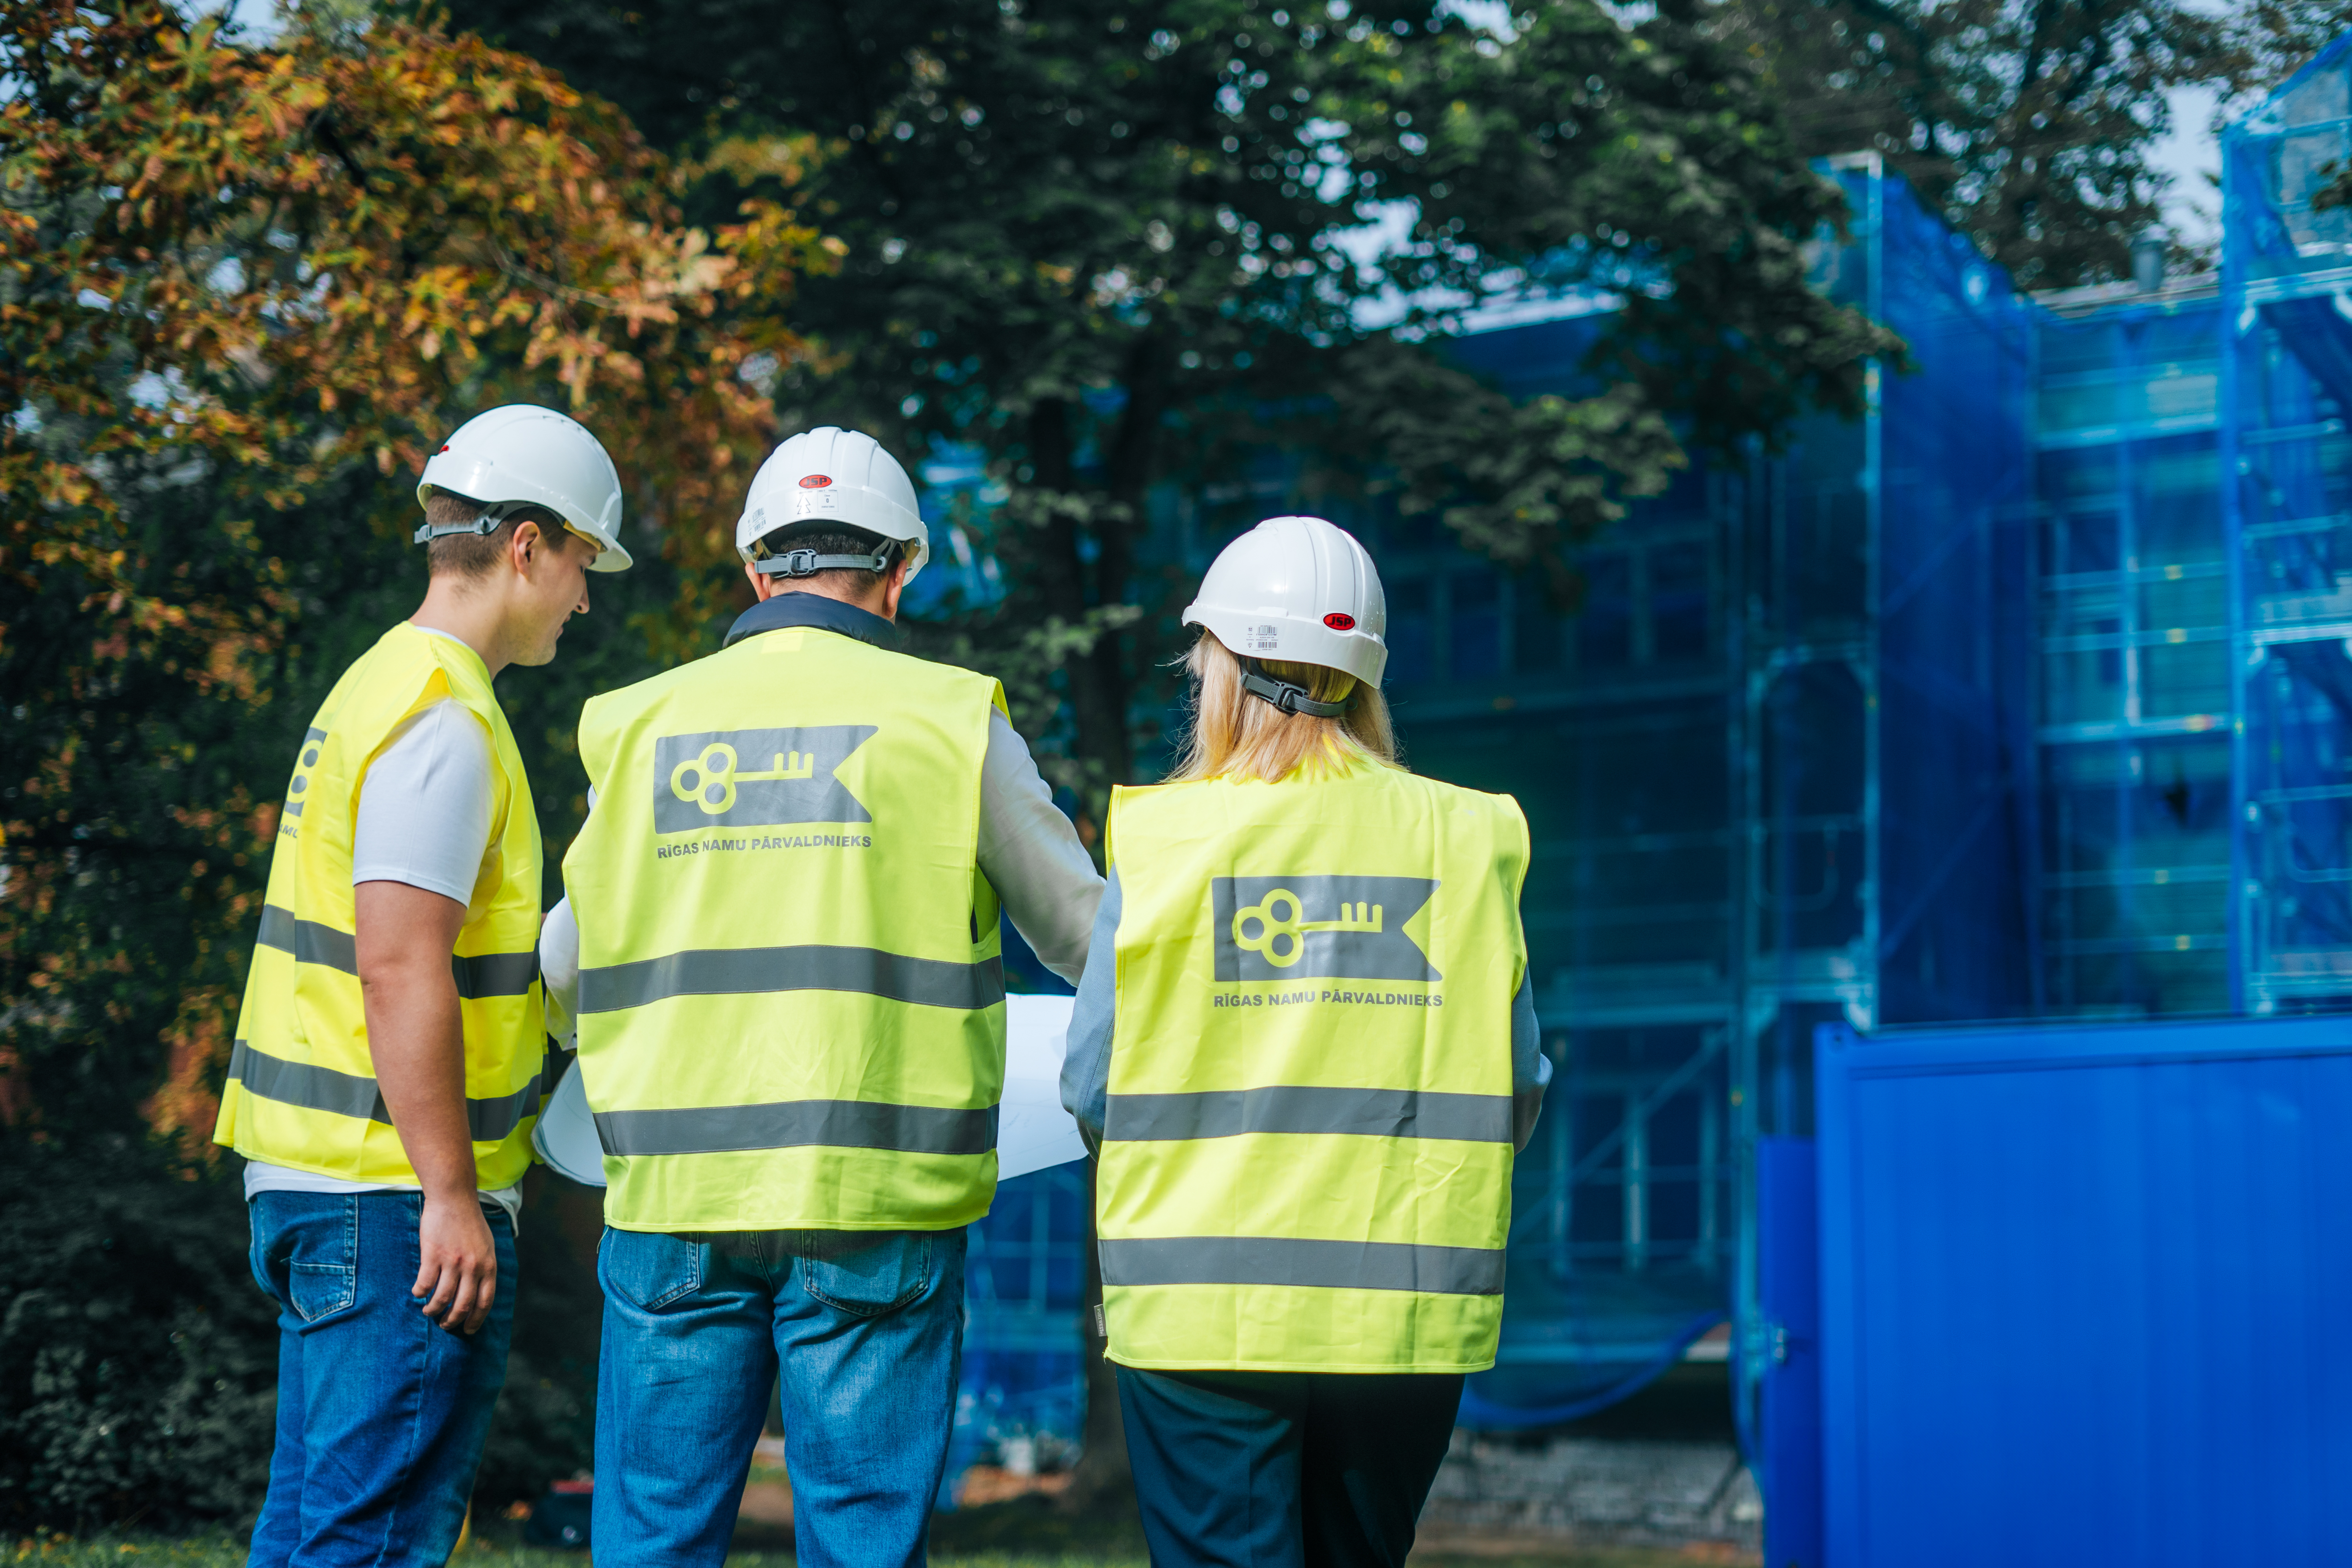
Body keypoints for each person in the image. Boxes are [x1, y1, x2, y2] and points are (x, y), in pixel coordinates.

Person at [539, 425, 1104, 1568]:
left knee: (652, 1535)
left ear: (755, 569)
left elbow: (562, 967)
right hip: (876, 1191)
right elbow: (1087, 936)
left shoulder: (641, 722)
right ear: (902, 567)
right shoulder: (951, 720)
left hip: (674, 1196)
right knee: (860, 1541)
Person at [1059, 514, 1550, 1568]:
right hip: (1402, 1314)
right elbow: (1516, 1085)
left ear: (1223, 670)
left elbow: (1092, 1082)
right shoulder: (1469, 838)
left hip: (1201, 1310)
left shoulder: (1163, 838)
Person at [215, 405, 631, 1568]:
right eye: (583, 565)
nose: (583, 600)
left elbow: (446, 957)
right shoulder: (443, 718)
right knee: (376, 1541)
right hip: (392, 1199)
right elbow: (399, 960)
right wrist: (451, 1192)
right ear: (526, 546)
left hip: (334, 1181)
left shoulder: (380, 686)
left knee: (312, 1531)